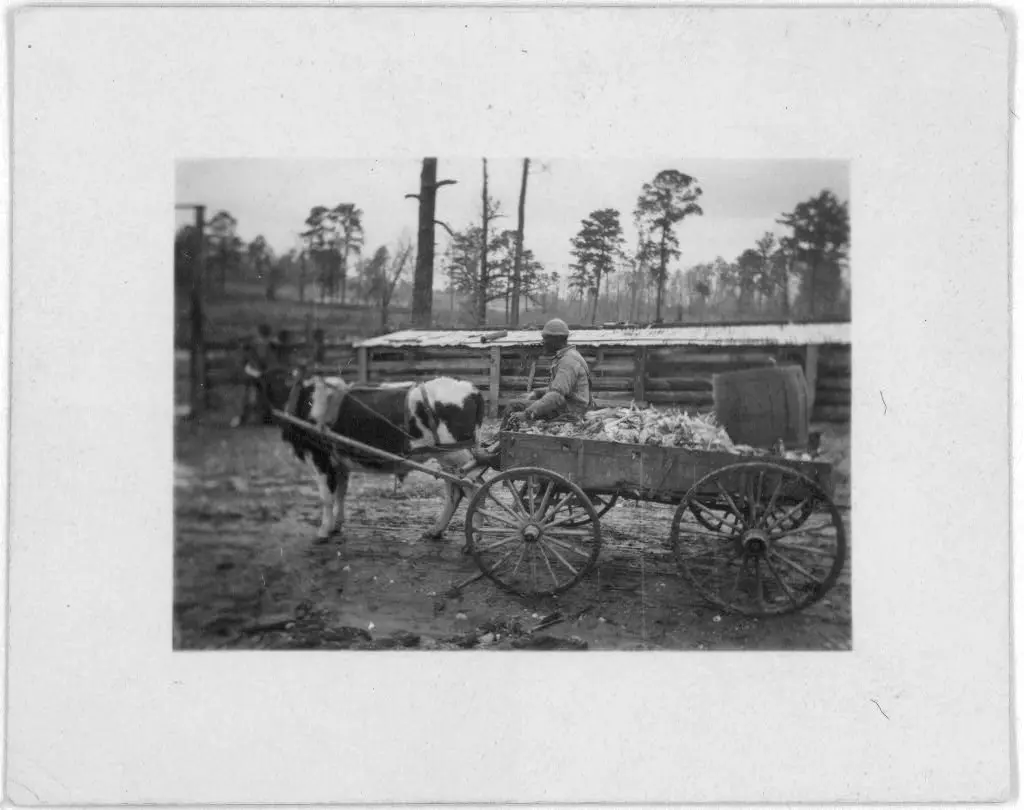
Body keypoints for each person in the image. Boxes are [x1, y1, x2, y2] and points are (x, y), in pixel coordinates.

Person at [514, 318, 595, 422]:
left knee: (514, 407)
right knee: (520, 405)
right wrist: (537, 393)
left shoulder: (568, 361)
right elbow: (559, 389)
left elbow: (556, 396)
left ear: (556, 340)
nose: (543, 342)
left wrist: (527, 414)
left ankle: (504, 437)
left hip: (572, 411)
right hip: (570, 405)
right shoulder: (568, 356)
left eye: (546, 339)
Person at [231, 323, 281, 428]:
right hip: (251, 376)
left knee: (260, 396)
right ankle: (242, 417)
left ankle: (263, 417)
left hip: (262, 377)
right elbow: (245, 363)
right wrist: (254, 372)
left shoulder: (267, 346)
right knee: (249, 396)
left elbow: (269, 363)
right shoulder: (252, 347)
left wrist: (263, 372)